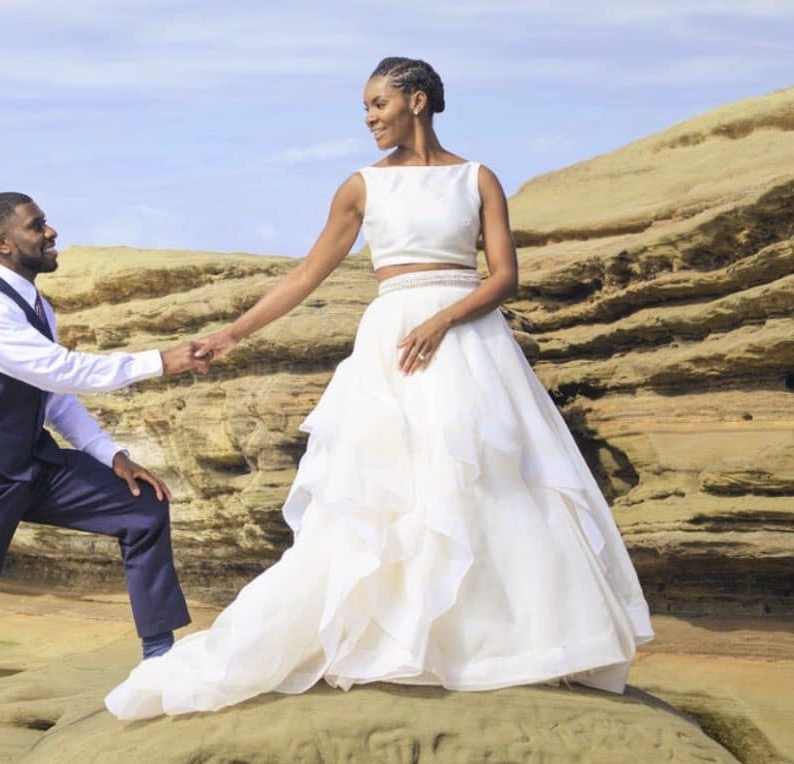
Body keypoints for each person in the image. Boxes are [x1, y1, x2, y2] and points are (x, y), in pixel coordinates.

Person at [105, 57, 654, 720]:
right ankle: (398, 640)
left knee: (484, 478)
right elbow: (307, 274)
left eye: (377, 104)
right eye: (365, 107)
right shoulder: (360, 187)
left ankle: (491, 646)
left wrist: (445, 319)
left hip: (468, 336)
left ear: (416, 101)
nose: (368, 117)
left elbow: (505, 276)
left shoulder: (476, 178)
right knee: (392, 484)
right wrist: (231, 335)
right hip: (393, 337)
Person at [0, 192, 207, 764]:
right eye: (36, 225)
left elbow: (54, 399)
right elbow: (64, 370)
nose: (51, 231)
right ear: (2, 243)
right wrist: (163, 361)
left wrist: (112, 456)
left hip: (34, 465)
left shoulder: (37, 304)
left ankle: (159, 660)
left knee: (142, 505)